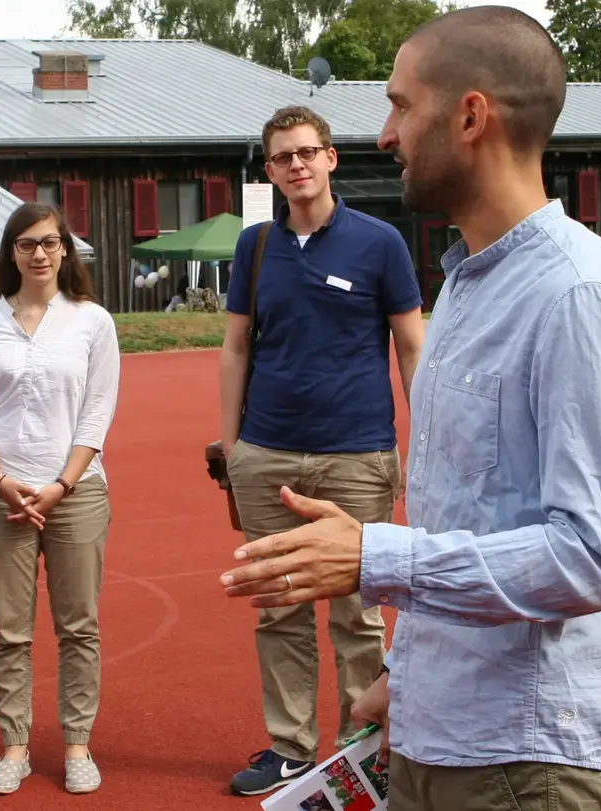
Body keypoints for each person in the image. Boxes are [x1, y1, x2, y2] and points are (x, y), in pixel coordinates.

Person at [218, 7, 601, 810]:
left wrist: (375, 558)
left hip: (527, 761)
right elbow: (470, 516)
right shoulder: (463, 284)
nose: (386, 134)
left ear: (470, 116)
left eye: (401, 105)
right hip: (438, 730)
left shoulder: (580, 296)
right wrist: (405, 672)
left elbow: (593, 557)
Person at [218, 105, 423, 797]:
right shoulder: (254, 247)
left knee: (358, 611)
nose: (297, 165)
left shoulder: (380, 242)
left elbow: (411, 345)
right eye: (284, 157)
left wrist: (424, 438)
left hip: (356, 456)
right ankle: (290, 746)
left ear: (331, 158)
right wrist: (234, 447)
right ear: (270, 171)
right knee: (278, 606)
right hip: (266, 453)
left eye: (308, 152)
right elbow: (236, 347)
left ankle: (362, 747)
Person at [0, 202, 120, 796]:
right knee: (9, 631)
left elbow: (97, 412)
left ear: (65, 248)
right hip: (0, 495)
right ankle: (15, 747)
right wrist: (1, 481)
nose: (40, 253)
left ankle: (77, 745)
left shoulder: (92, 321)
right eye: (26, 244)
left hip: (75, 493)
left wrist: (60, 485)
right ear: (11, 253)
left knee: (79, 627)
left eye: (50, 242)